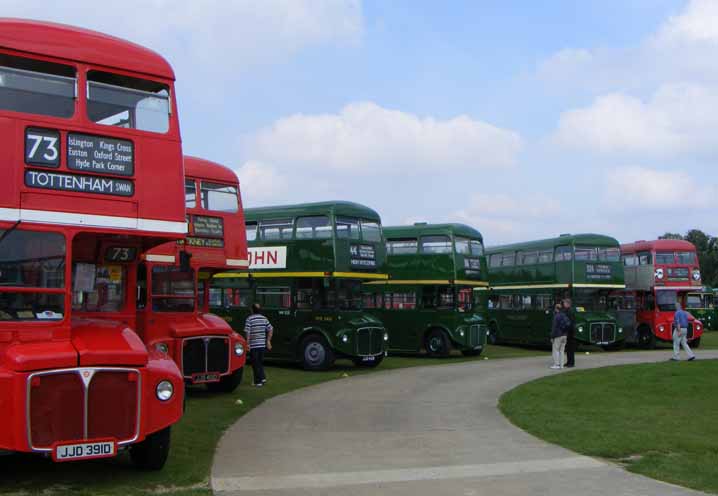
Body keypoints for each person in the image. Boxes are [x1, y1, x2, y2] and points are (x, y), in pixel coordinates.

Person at [244, 303, 274, 387]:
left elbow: (247, 332)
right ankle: (263, 378)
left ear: (252, 310)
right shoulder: (264, 318)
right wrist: (268, 341)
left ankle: (258, 382)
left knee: (255, 363)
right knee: (259, 362)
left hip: (254, 345)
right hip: (262, 345)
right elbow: (271, 329)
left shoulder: (249, 319)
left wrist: (247, 343)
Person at [550, 303, 568, 369]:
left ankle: (556, 365)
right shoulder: (564, 315)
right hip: (565, 335)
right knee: (562, 351)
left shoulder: (556, 316)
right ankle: (561, 365)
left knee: (555, 350)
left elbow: (554, 327)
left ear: (556, 308)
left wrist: (552, 337)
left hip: (558, 335)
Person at [563, 298, 576, 368]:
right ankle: (568, 362)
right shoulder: (567, 311)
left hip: (570, 332)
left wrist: (567, 331)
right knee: (568, 348)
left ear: (568, 304)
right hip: (568, 332)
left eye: (565, 303)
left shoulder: (570, 311)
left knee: (570, 348)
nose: (564, 304)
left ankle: (571, 363)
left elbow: (570, 323)